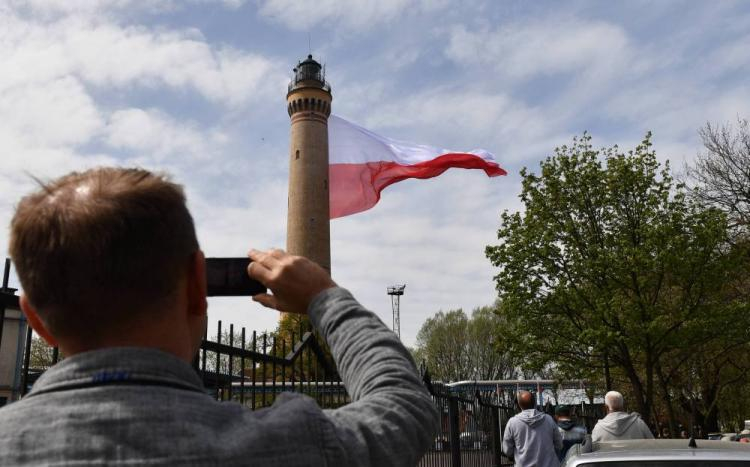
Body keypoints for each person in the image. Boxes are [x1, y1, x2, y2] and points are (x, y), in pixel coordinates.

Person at [0, 167, 439, 466]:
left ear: (35, 319)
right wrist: (325, 296)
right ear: (197, 286)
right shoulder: (289, 445)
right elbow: (403, 406)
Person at [502, 390, 562, 467]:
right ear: (534, 403)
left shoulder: (512, 422)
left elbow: (507, 450)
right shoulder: (548, 420)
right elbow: (559, 444)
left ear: (519, 405)